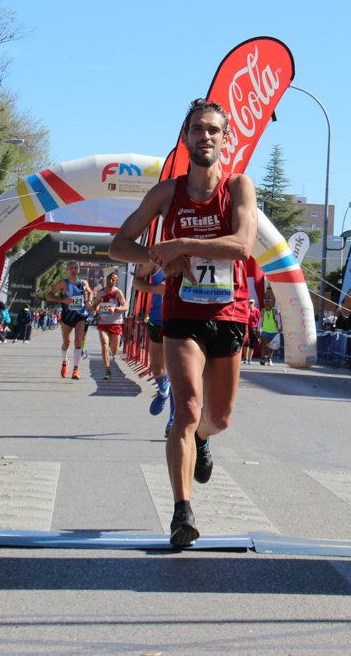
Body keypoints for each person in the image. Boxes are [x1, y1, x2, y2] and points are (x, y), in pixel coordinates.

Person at [109, 98, 257, 548]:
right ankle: (181, 512)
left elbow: (242, 246)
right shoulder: (165, 194)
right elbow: (119, 245)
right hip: (181, 315)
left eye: (214, 130)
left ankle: (204, 442)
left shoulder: (238, 187)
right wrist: (159, 257)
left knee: (219, 419)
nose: (205, 136)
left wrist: (179, 244)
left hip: (227, 314)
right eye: (198, 129)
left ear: (225, 138)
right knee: (187, 412)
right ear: (186, 137)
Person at [133, 263, 173, 425]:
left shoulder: (194, 256)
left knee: (179, 374)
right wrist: (156, 289)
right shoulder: (158, 259)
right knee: (157, 370)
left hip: (182, 322)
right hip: (158, 321)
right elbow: (136, 280)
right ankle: (164, 392)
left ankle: (173, 420)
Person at [47, 261, 92, 379]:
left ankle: (76, 370)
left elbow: (90, 292)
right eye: (71, 268)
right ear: (67, 270)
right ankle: (64, 362)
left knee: (78, 341)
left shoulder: (83, 283)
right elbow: (49, 296)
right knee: (67, 343)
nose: (73, 270)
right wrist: (63, 300)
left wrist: (89, 301)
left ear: (78, 270)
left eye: (75, 268)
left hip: (80, 315)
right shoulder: (63, 283)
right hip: (67, 316)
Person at [92, 271, 127, 380]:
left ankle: (115, 342)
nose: (110, 281)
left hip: (115, 322)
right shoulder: (100, 292)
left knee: (114, 351)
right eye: (109, 279)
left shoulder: (117, 293)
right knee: (104, 344)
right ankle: (108, 370)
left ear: (116, 282)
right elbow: (96, 305)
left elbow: (125, 307)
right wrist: (94, 309)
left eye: (113, 280)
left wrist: (115, 309)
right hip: (103, 322)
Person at [259, 296, 280, 365]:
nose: (267, 302)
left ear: (270, 301)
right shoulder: (263, 311)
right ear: (264, 302)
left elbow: (278, 320)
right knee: (263, 345)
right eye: (266, 301)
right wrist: (259, 329)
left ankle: (269, 359)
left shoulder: (274, 310)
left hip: (273, 330)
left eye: (268, 301)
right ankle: (262, 359)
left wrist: (279, 328)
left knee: (271, 346)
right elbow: (260, 321)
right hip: (265, 330)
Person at [242, 297, 261, 365]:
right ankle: (245, 358)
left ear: (254, 304)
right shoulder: (247, 310)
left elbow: (259, 321)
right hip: (247, 328)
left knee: (251, 344)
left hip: (254, 329)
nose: (250, 304)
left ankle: (250, 359)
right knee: (246, 343)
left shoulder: (257, 311)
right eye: (249, 303)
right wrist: (249, 311)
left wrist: (259, 331)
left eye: (252, 303)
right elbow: (246, 318)